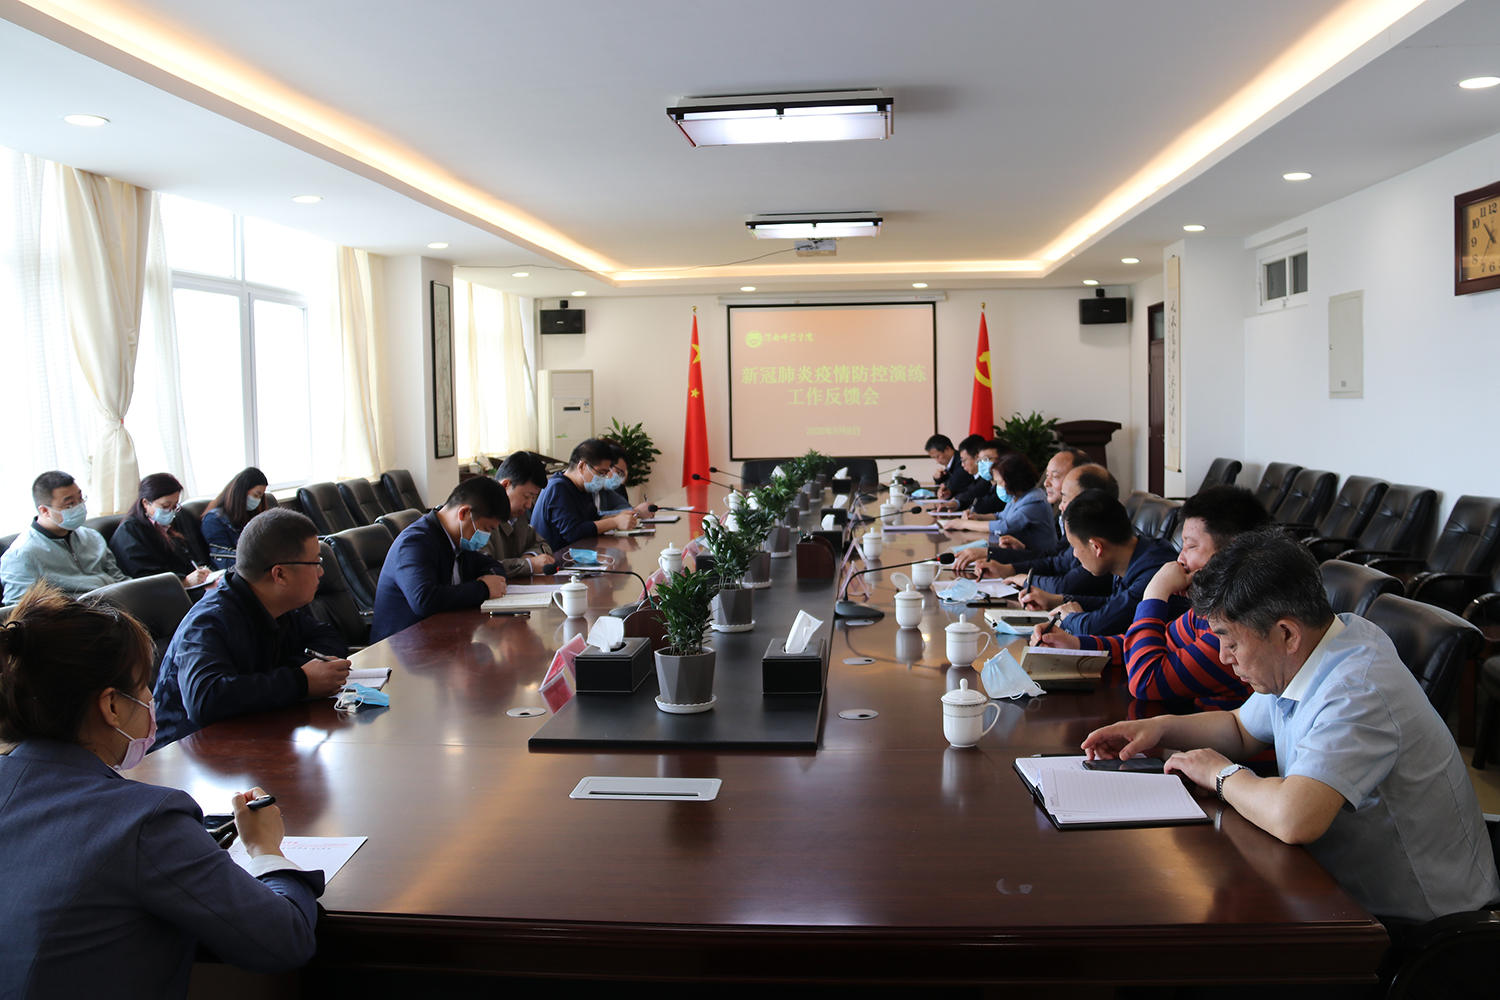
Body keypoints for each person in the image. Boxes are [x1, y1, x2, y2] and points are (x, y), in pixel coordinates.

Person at [1082, 530, 1500, 927]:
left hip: (1415, 925)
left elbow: (1295, 818)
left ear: (1286, 633)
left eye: (1230, 641)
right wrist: (1157, 728)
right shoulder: (1320, 644)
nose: (1224, 657)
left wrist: (1219, 774)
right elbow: (1240, 728)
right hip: (1333, 886)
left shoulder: (1357, 690)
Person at [0, 583, 322, 997]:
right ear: (111, 706)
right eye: (143, 686)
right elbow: (283, 941)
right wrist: (266, 850)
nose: (150, 699)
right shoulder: (144, 821)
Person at [1033, 486, 1273, 710]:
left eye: (1190, 547)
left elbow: (1146, 681)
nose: (1180, 559)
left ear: (1232, 552)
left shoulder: (1234, 627)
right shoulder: (1206, 611)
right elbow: (1153, 643)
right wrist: (1076, 645)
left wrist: (1155, 593)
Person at [153, 509, 351, 745]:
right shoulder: (209, 621)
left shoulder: (273, 605)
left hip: (248, 737)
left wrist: (291, 676)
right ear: (280, 574)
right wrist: (300, 681)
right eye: (316, 562)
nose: (321, 571)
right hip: (186, 752)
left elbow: (329, 638)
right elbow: (204, 699)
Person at [1024, 489, 1184, 637]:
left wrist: (1072, 616)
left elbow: (1094, 628)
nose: (1074, 554)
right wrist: (1057, 600)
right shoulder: (1137, 553)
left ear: (1096, 547)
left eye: (1074, 546)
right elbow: (1114, 605)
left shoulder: (1153, 573)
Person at [371, 477, 511, 642]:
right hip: (403, 647)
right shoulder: (415, 543)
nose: (486, 537)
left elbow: (491, 565)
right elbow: (424, 600)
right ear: (464, 513)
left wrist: (492, 579)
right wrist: (484, 588)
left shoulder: (457, 540)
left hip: (443, 639)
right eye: (486, 529)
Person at [1, 470, 128, 603]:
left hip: (116, 603)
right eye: (70, 504)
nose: (80, 507)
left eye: (80, 499)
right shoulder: (21, 555)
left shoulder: (92, 537)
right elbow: (19, 608)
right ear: (45, 511)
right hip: (77, 612)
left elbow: (119, 579)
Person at [530, 438, 640, 552]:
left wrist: (620, 516)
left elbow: (594, 519)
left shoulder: (583, 487)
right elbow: (572, 532)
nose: (603, 478)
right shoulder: (558, 488)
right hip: (554, 558)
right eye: (601, 473)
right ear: (582, 466)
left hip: (576, 554)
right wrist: (615, 522)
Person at [109, 473, 211, 587]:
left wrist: (200, 571)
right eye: (165, 506)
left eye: (174, 506)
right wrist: (184, 582)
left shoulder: (169, 524)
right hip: (161, 591)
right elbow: (144, 576)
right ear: (145, 503)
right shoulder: (129, 532)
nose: (170, 511)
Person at [944, 453, 1054, 551]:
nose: (998, 487)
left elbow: (1005, 527)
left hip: (1039, 557)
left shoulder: (1034, 501)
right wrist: (978, 517)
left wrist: (964, 524)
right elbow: (1001, 516)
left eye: (1000, 483)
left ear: (1013, 481)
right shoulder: (1018, 495)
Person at [487, 451, 556, 577]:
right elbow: (484, 568)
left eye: (533, 498)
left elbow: (542, 544)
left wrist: (529, 556)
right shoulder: (482, 519)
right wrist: (528, 565)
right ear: (505, 486)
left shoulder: (518, 515)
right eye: (526, 496)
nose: (529, 505)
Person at [200, 467, 270, 569]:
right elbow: (222, 557)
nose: (257, 501)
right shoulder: (213, 520)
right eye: (256, 495)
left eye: (260, 497)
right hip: (238, 571)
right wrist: (262, 558)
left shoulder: (251, 514)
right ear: (241, 491)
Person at [934, 433, 981, 500]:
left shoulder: (986, 478)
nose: (962, 464)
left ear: (977, 458)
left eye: (964, 460)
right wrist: (951, 493)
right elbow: (969, 489)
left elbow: (973, 493)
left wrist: (956, 501)